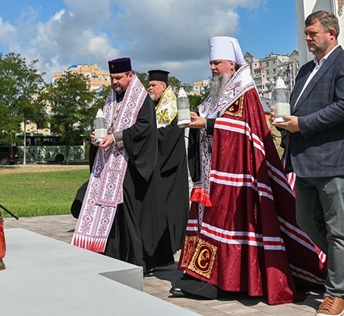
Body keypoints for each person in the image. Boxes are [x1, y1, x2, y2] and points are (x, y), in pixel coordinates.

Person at [174, 36, 324, 305]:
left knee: (232, 224)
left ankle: (231, 279)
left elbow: (244, 131)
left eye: (217, 63)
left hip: (239, 177)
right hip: (211, 175)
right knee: (210, 223)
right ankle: (205, 276)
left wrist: (206, 125)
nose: (213, 68)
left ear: (231, 64)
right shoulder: (217, 93)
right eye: (211, 63)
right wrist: (201, 123)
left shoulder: (245, 91)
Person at [275, 11, 344, 316]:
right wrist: (285, 123)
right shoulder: (304, 71)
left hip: (334, 159)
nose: (308, 38)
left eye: (313, 33)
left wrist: (302, 124)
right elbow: (297, 107)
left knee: (337, 229)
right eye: (306, 33)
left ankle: (336, 293)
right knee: (306, 221)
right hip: (305, 159)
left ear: (332, 33)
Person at [73, 57, 164, 269]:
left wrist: (115, 138)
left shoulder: (142, 99)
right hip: (108, 166)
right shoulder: (110, 99)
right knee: (109, 213)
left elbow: (144, 129)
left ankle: (133, 261)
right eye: (112, 78)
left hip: (130, 167)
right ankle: (109, 254)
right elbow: (106, 124)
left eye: (119, 78)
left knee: (128, 216)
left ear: (130, 76)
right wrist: (96, 137)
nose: (114, 82)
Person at [146, 69, 189, 270]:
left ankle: (169, 247)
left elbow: (169, 134)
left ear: (164, 86)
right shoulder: (154, 105)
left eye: (154, 85)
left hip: (170, 164)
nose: (150, 88)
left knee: (169, 207)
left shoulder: (172, 105)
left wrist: (150, 139)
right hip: (160, 163)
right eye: (150, 85)